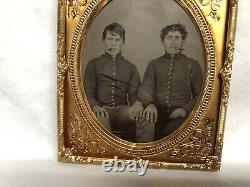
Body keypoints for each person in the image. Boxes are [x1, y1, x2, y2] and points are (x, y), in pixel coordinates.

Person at [84, 23, 151, 142]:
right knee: (99, 119)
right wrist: (95, 106)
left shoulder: (131, 67)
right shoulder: (93, 64)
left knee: (145, 116)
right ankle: (107, 156)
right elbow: (88, 91)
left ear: (122, 42)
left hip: (122, 111)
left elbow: (133, 93)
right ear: (104, 40)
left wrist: (137, 103)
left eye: (117, 40)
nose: (113, 43)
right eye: (110, 39)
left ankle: (142, 156)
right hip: (102, 109)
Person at [138, 23, 203, 140]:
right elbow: (145, 88)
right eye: (169, 38)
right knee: (143, 128)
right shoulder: (154, 64)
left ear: (183, 41)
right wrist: (150, 104)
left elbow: (201, 94)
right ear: (163, 41)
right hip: (156, 112)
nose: (172, 42)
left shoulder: (192, 64)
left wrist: (185, 109)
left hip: (180, 115)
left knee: (169, 132)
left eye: (177, 38)